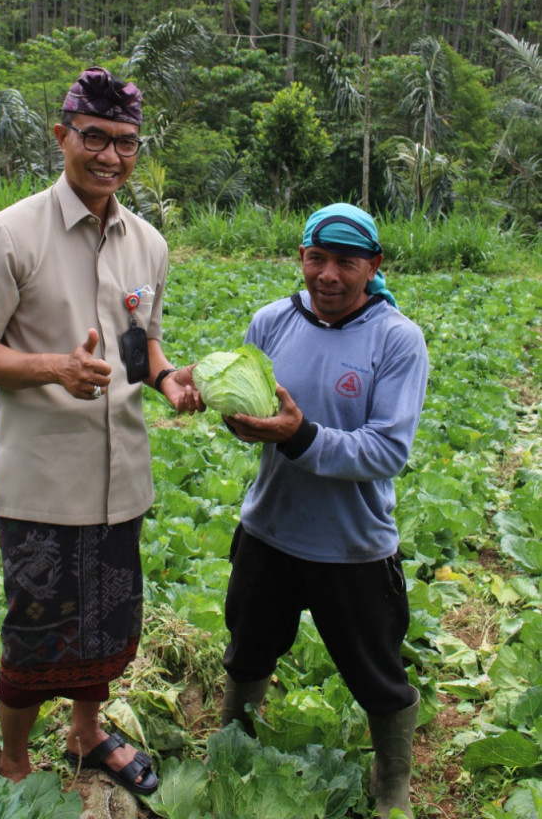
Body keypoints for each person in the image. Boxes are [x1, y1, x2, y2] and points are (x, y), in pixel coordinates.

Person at [0, 66, 202, 792]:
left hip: (121, 479)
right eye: (94, 138)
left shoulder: (147, 243)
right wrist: (53, 368)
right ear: (62, 136)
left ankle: (88, 733)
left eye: (125, 143)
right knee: (34, 632)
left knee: (109, 624)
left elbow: (139, 342)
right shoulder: (8, 233)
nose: (110, 156)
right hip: (43, 482)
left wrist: (165, 377)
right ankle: (14, 759)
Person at [219, 203, 429, 819]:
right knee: (248, 649)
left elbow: (387, 451)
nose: (328, 275)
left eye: (346, 262)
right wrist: (243, 422)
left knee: (377, 674)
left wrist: (299, 435)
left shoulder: (396, 338)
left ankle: (392, 780)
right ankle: (233, 742)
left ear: (374, 266)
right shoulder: (271, 321)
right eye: (317, 258)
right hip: (269, 528)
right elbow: (250, 408)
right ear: (301, 258)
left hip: (353, 543)